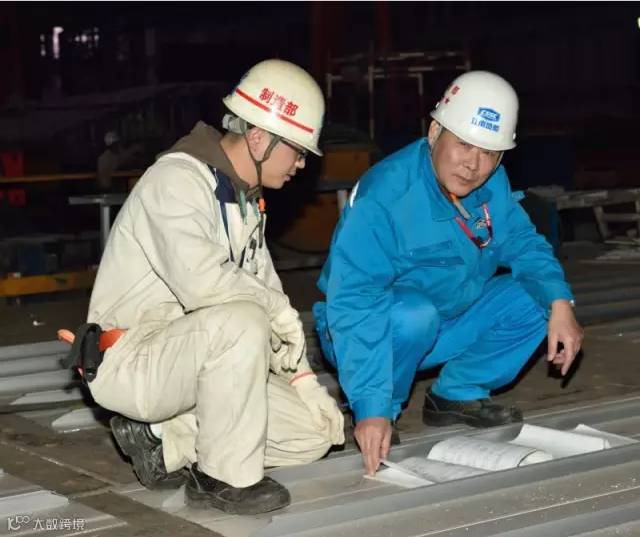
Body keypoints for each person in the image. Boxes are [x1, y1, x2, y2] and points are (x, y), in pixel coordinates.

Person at [77, 59, 345, 515]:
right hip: (136, 359)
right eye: (298, 151)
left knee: (312, 434)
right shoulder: (175, 182)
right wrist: (276, 313)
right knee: (244, 318)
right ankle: (223, 478)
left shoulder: (244, 202)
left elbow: (268, 293)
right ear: (259, 139)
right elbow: (206, 284)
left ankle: (164, 437)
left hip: (201, 357)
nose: (301, 164)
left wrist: (304, 383)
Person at [312, 70, 583, 476]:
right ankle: (386, 407)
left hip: (446, 319)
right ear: (435, 131)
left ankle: (456, 394)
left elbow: (523, 243)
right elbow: (355, 302)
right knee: (414, 314)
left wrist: (561, 303)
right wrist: (371, 407)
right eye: (464, 145)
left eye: (490, 153)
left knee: (538, 298)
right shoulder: (386, 195)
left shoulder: (491, 182)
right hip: (374, 329)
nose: (475, 165)